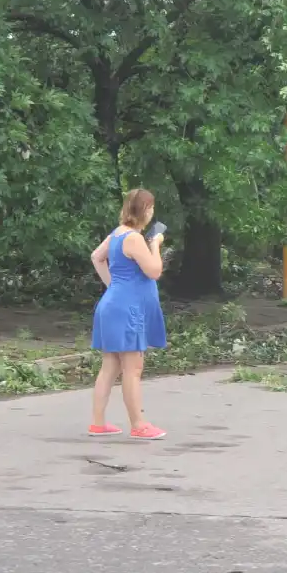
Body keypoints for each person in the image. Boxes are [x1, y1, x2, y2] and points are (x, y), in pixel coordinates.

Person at [88, 188, 168, 440]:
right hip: (126, 309)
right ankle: (139, 424)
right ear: (144, 210)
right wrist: (155, 244)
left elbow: (96, 257)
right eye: (151, 207)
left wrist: (113, 285)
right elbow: (154, 270)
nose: (152, 211)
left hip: (113, 304)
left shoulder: (116, 234)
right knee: (133, 367)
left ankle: (98, 423)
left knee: (110, 365)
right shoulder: (133, 238)